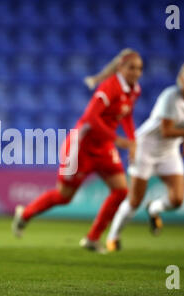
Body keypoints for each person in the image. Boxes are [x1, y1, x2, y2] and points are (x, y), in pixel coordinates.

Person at [12, 48, 143, 253]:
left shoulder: (134, 90)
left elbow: (126, 114)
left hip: (104, 146)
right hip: (81, 147)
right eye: (131, 68)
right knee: (64, 196)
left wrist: (132, 141)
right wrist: (117, 139)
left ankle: (92, 239)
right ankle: (25, 214)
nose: (135, 72)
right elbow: (90, 118)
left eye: (139, 69)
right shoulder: (109, 87)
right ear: (120, 68)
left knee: (121, 191)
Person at [106, 61, 184, 252]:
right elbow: (166, 131)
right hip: (146, 148)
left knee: (177, 200)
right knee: (134, 200)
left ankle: (155, 208)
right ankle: (113, 237)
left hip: (169, 151)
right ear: (180, 78)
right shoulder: (170, 97)